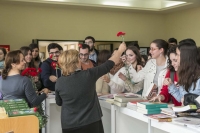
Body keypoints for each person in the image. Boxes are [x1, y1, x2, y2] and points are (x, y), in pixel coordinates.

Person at [55, 42, 126, 133]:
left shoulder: (60, 82)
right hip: (91, 122)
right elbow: (110, 63)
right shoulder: (88, 75)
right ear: (77, 62)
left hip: (69, 124)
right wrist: (120, 50)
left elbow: (59, 102)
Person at [164, 39, 200, 103]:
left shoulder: (198, 77)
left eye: (177, 54)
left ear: (185, 56)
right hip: (186, 112)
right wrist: (171, 85)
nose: (176, 58)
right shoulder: (184, 74)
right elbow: (182, 99)